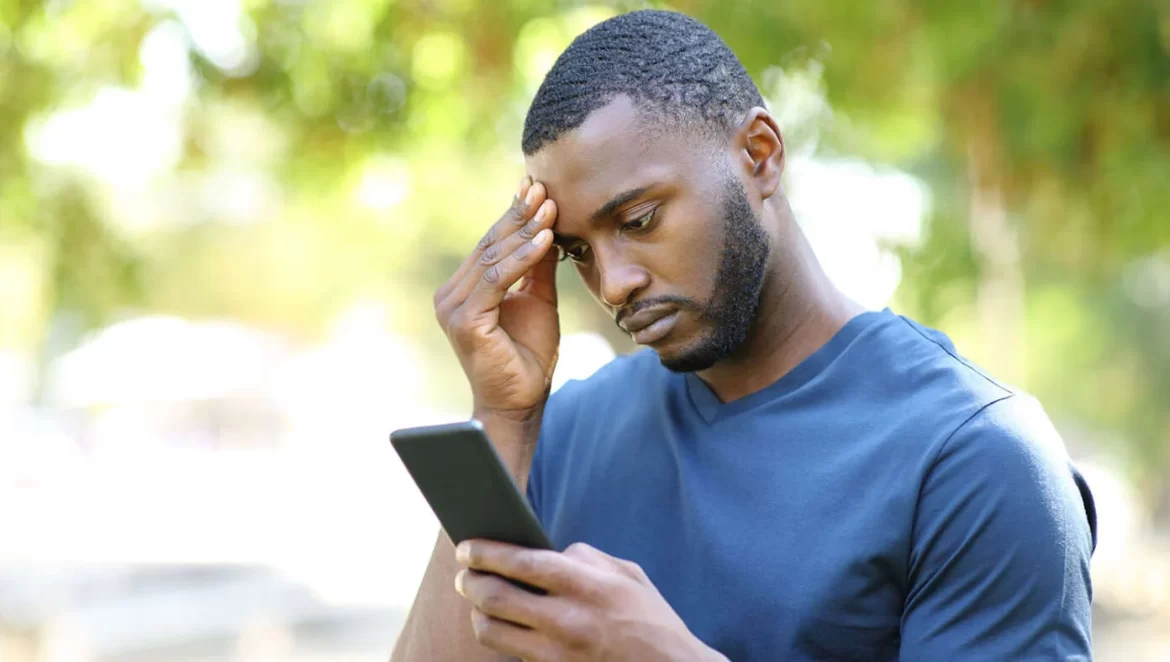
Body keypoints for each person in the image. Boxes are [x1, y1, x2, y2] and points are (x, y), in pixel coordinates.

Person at [391, 9, 1097, 662]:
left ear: (759, 154)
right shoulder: (563, 432)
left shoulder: (975, 459)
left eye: (638, 221)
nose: (611, 285)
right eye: (576, 251)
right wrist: (505, 419)